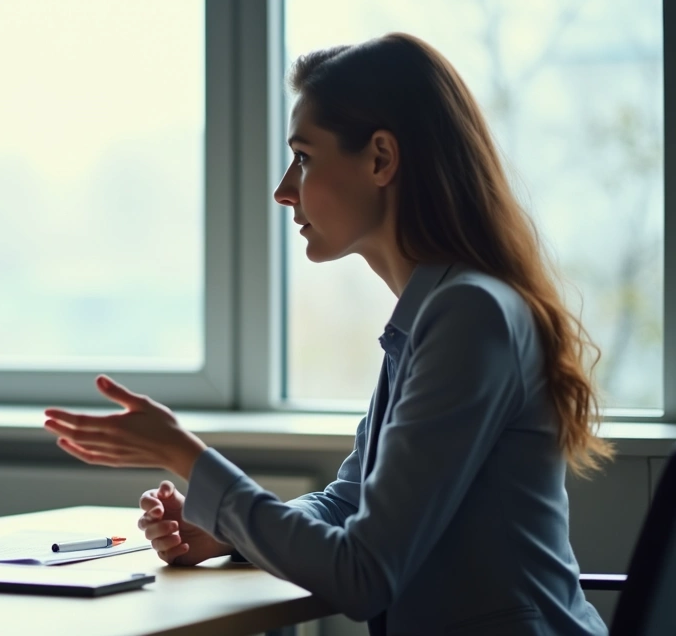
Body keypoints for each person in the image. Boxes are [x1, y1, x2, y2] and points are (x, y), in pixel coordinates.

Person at [43, 33, 614, 635]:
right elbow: (350, 504)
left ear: (381, 159)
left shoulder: (469, 314)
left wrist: (184, 454)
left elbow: (361, 574)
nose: (284, 188)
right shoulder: (434, 313)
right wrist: (223, 530)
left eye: (305, 157)